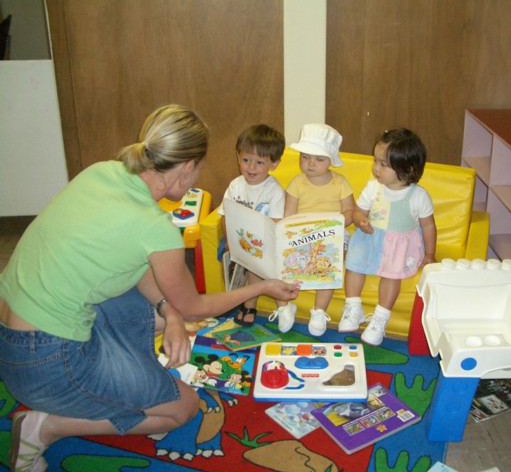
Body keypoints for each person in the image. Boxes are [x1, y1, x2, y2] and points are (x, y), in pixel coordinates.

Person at [0, 104, 299, 472]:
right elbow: (195, 306)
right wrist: (264, 285)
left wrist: (169, 313)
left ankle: (128, 363)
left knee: (164, 315)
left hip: (12, 335)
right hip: (45, 364)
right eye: (199, 168)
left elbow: (135, 262)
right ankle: (44, 427)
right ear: (188, 166)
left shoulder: (101, 173)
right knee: (183, 408)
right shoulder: (155, 227)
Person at [338, 128, 437, 346]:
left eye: (383, 164)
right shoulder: (374, 188)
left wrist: (430, 254)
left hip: (399, 244)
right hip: (370, 237)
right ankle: (353, 306)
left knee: (392, 275)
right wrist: (360, 219)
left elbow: (428, 226)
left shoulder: (418, 196)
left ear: (407, 169)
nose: (376, 168)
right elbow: (358, 211)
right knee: (353, 265)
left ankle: (380, 318)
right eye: (376, 161)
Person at [269, 123, 355, 337]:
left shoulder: (340, 182)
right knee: (282, 265)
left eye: (319, 159)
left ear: (330, 161)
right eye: (305, 157)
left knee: (329, 267)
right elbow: (289, 215)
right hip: (301, 236)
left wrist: (331, 226)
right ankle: (285, 306)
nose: (310, 164)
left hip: (331, 236)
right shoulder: (297, 182)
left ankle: (319, 311)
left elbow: (350, 213)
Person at [217, 124, 287, 326]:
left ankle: (250, 303)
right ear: (238, 157)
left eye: (259, 162)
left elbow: (275, 224)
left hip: (262, 243)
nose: (251, 167)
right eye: (246, 160)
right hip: (237, 240)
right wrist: (230, 241)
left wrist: (256, 245)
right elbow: (225, 215)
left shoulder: (274, 190)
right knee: (232, 260)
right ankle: (234, 298)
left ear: (274, 164)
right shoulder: (236, 185)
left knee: (255, 262)